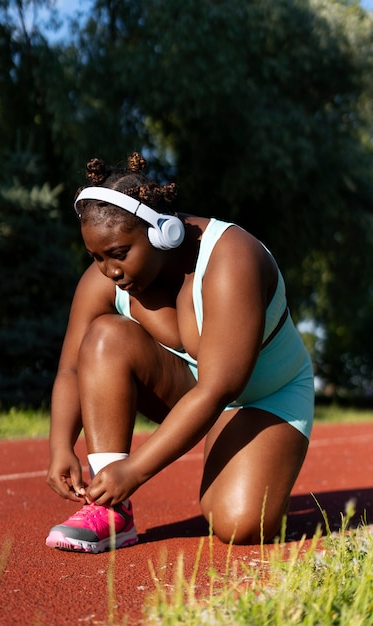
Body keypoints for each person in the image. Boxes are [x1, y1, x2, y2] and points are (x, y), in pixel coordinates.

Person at [45, 152, 314, 553]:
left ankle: (263, 465)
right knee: (104, 337)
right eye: (96, 257)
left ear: (163, 233)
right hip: (195, 389)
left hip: (268, 395)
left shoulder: (230, 258)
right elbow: (70, 369)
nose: (109, 271)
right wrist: (60, 445)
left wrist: (134, 470)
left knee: (239, 524)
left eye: (119, 253)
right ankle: (111, 514)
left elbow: (218, 388)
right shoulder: (108, 279)